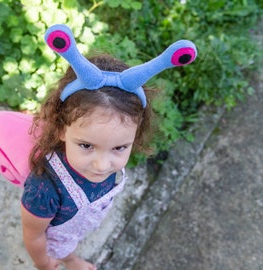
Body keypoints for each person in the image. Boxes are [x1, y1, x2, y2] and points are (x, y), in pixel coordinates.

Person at [20, 24, 197, 270]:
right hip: (56, 241)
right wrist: (45, 264)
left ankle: (70, 257)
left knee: (70, 243)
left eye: (119, 148)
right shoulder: (44, 191)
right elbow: (34, 236)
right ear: (61, 128)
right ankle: (69, 260)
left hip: (74, 230)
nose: (103, 166)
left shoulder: (103, 161)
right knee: (61, 248)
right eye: (86, 145)